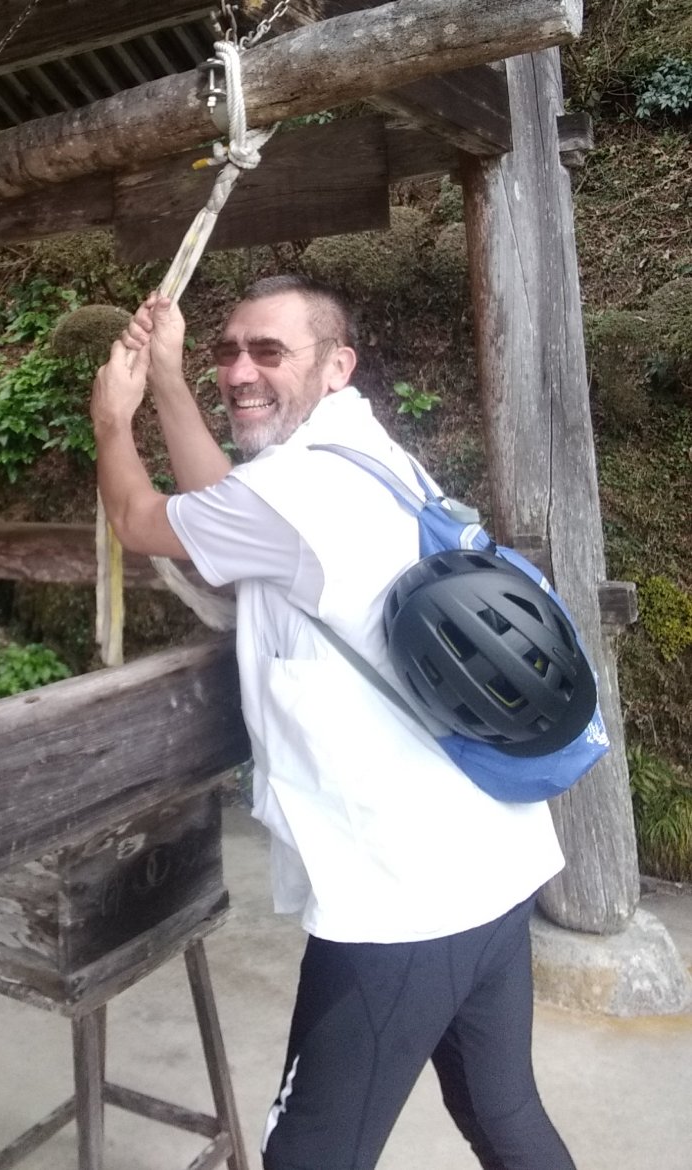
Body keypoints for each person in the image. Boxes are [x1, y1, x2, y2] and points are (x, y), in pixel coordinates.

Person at [90, 273, 576, 1170]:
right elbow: (229, 514)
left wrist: (113, 420)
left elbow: (138, 517)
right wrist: (167, 376)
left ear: (336, 364)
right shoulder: (362, 455)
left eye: (268, 351)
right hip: (491, 858)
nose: (239, 371)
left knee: (307, 1156)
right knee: (504, 1117)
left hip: (400, 901)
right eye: (226, 351)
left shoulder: (300, 494)